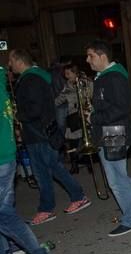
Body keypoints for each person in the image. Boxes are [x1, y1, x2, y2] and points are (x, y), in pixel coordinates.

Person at [8, 49, 91, 226]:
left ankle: (77, 196)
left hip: (40, 133)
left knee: (51, 169)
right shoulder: (34, 77)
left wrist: (19, 115)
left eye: (11, 61)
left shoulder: (32, 79)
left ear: (19, 61)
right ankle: (47, 208)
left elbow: (36, 109)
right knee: (44, 172)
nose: (10, 65)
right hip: (36, 133)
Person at [0, 65, 61, 254]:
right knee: (5, 214)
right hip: (8, 154)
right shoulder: (6, 83)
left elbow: (35, 109)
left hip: (13, 151)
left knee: (6, 215)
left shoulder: (29, 80)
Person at [86, 40, 131, 237]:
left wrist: (93, 117)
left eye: (90, 55)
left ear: (102, 56)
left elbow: (120, 109)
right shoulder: (106, 76)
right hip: (111, 131)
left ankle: (129, 220)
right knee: (119, 177)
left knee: (117, 181)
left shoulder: (113, 77)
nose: (87, 60)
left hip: (114, 131)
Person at [58, 64, 92, 174]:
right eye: (65, 74)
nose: (66, 76)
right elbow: (60, 99)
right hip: (73, 117)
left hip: (85, 114)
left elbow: (91, 95)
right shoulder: (67, 86)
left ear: (75, 73)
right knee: (72, 142)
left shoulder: (85, 82)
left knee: (86, 140)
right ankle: (74, 164)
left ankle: (89, 163)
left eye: (68, 73)